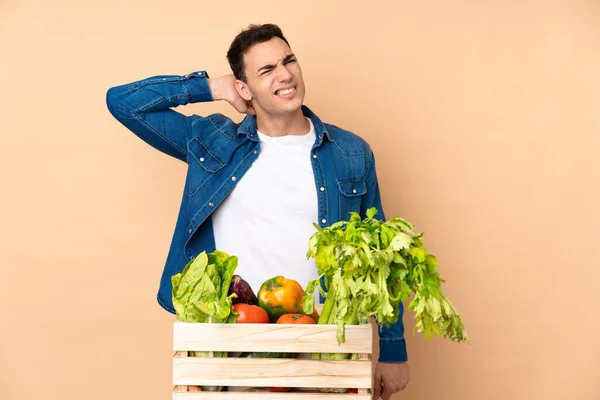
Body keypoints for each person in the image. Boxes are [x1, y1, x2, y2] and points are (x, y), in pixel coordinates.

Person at [106, 23, 409, 399]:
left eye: (289, 60)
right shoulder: (215, 142)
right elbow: (122, 102)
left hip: (326, 342)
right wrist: (213, 87)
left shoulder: (350, 152)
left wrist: (393, 350)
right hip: (235, 340)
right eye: (266, 70)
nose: (285, 74)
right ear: (244, 88)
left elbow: (382, 257)